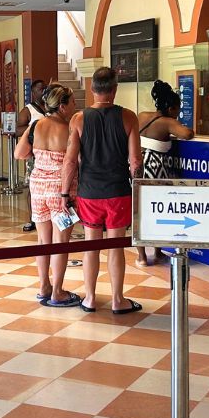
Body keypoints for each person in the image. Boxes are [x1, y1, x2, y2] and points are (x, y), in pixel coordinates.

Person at [61, 66, 143, 314]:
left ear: (92, 89)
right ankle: (118, 300)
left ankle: (90, 298)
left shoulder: (78, 119)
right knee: (115, 247)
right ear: (115, 89)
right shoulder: (129, 117)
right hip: (118, 191)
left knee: (90, 246)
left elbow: (70, 161)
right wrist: (137, 192)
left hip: (89, 193)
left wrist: (65, 193)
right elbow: (135, 162)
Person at [15, 84, 78, 306]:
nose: (74, 105)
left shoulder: (35, 126)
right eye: (71, 101)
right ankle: (58, 291)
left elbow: (19, 153)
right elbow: (73, 163)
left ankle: (44, 286)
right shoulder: (70, 129)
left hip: (37, 189)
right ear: (62, 106)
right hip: (61, 191)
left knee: (43, 240)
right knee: (61, 242)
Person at [136, 80, 195, 267]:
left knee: (139, 211)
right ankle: (157, 252)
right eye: (178, 109)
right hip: (154, 169)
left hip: (136, 166)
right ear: (170, 108)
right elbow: (187, 134)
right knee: (156, 210)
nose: (178, 113)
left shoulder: (142, 116)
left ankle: (141, 257)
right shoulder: (168, 122)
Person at [16, 79, 49, 233]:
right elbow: (17, 129)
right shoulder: (28, 110)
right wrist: (34, 128)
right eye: (40, 89)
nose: (43, 92)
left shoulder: (50, 107)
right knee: (32, 187)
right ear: (33, 92)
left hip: (49, 153)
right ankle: (32, 218)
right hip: (34, 154)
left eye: (45, 89)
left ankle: (46, 216)